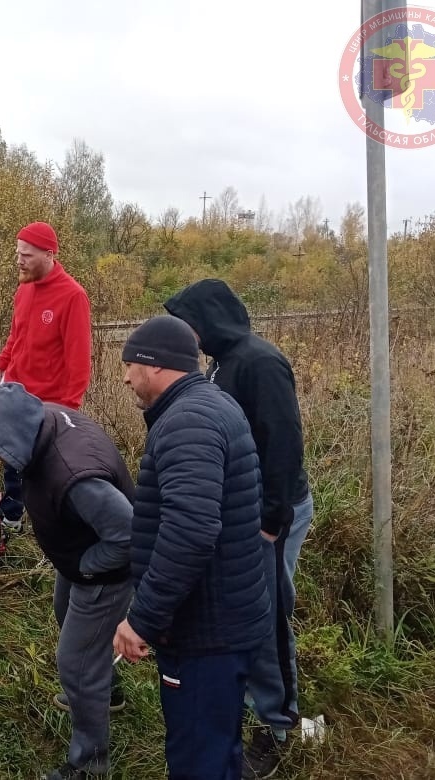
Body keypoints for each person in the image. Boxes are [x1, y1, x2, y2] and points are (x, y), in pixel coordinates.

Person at [164, 279, 313, 779]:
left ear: (208, 318)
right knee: (248, 610)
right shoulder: (222, 362)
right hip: (243, 512)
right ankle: (252, 704)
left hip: (272, 515)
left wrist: (272, 520)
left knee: (267, 614)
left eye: (188, 321)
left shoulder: (259, 362)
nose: (186, 332)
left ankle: (279, 724)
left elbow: (284, 443)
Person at [112, 315, 270, 780]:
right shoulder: (209, 405)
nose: (125, 377)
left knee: (198, 758)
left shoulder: (187, 423)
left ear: (155, 366)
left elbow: (192, 530)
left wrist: (143, 618)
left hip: (206, 632)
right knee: (218, 747)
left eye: (129, 365)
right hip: (224, 621)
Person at [0, 382, 132, 780]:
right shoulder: (45, 422)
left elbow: (130, 534)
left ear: (15, 436)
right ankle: (106, 690)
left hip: (106, 570)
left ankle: (89, 764)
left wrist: (87, 564)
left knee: (74, 661)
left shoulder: (77, 477)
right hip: (78, 554)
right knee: (64, 610)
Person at [0, 222, 92, 530]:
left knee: (48, 468)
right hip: (15, 392)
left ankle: (54, 525)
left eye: (27, 255)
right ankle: (12, 518)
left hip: (49, 403)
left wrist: (69, 407)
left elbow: (79, 359)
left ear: (49, 254)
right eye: (17, 253)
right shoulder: (24, 290)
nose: (19, 261)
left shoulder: (73, 296)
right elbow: (15, 336)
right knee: (12, 461)